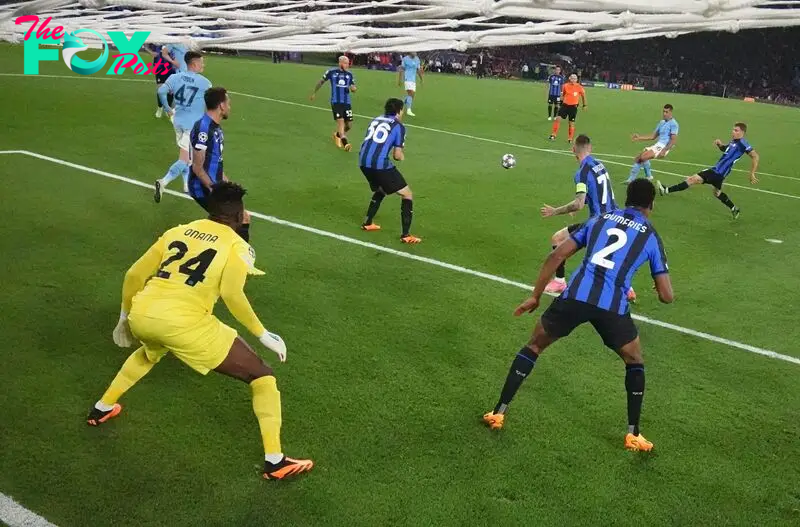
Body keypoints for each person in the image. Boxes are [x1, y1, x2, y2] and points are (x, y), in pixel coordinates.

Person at [86, 182, 314, 480]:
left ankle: (102, 407)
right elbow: (233, 294)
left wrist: (124, 316)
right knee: (262, 375)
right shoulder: (236, 245)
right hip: (184, 323)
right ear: (240, 214)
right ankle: (276, 461)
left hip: (143, 313)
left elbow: (134, 274)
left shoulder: (177, 231)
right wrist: (262, 334)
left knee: (150, 352)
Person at [483, 179, 673, 453]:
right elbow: (667, 296)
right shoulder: (651, 236)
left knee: (534, 345)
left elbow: (557, 256)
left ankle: (498, 412)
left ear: (627, 198)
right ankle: (633, 434)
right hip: (612, 308)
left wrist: (536, 295)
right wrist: (658, 287)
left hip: (575, 298)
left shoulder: (600, 219)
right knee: (634, 359)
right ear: (650, 205)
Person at [540, 134, 637, 302]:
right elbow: (598, 192)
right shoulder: (599, 164)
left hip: (599, 223)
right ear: (590, 148)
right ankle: (627, 289)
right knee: (608, 255)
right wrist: (582, 203)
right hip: (615, 217)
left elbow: (578, 203)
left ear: (573, 150)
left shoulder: (581, 173)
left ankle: (559, 282)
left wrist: (555, 211)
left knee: (558, 239)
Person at [186, 87, 251, 242]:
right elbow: (197, 167)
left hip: (215, 185)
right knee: (237, 221)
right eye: (228, 103)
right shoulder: (203, 128)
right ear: (221, 106)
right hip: (202, 187)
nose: (229, 107)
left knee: (231, 222)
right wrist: (216, 190)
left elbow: (216, 162)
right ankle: (238, 259)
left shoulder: (215, 128)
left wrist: (228, 185)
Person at [658, 122, 759, 219]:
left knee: (692, 179)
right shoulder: (734, 142)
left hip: (717, 172)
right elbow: (726, 150)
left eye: (736, 130)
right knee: (717, 193)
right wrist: (720, 145)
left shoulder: (742, 143)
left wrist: (752, 173)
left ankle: (666, 190)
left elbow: (755, 156)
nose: (733, 132)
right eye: (733, 129)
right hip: (720, 174)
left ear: (742, 133)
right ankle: (734, 208)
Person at [358, 98, 421, 244]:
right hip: (379, 164)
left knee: (382, 189)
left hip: (363, 161)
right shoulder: (398, 126)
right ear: (399, 111)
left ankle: (368, 222)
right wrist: (402, 156)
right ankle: (406, 235)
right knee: (407, 194)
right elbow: (397, 156)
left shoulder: (376, 119)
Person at [155, 51, 211, 199]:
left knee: (186, 154)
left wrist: (167, 109)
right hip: (192, 126)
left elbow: (161, 91)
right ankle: (163, 181)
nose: (203, 65)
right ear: (194, 64)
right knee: (185, 159)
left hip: (177, 121)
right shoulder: (204, 83)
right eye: (201, 62)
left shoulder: (175, 77)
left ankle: (186, 185)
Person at [309, 55, 357, 151]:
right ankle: (345, 143)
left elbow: (353, 87)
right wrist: (314, 92)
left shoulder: (350, 74)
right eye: (346, 63)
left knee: (349, 125)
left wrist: (353, 88)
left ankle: (337, 134)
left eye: (348, 63)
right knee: (341, 123)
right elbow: (321, 82)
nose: (348, 65)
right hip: (336, 102)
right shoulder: (331, 72)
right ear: (341, 63)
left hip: (346, 102)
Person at [625, 104, 679, 183]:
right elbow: (653, 136)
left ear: (671, 112)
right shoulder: (661, 122)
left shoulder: (674, 124)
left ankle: (634, 180)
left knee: (642, 157)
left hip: (663, 146)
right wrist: (639, 137)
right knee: (638, 158)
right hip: (658, 145)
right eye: (663, 111)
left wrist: (664, 150)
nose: (664, 114)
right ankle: (645, 177)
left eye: (666, 112)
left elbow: (673, 140)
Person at [549, 74, 586, 144]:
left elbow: (583, 96)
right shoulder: (565, 86)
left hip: (573, 107)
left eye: (575, 78)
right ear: (569, 78)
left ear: (577, 79)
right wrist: (560, 102)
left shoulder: (579, 87)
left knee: (571, 123)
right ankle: (553, 134)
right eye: (572, 78)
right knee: (558, 118)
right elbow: (563, 95)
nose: (573, 80)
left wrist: (584, 105)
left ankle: (570, 138)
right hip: (565, 105)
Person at [145, 44, 174, 119]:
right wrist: (151, 52)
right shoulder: (158, 35)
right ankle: (160, 108)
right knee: (161, 89)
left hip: (172, 67)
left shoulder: (174, 35)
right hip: (159, 66)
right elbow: (145, 45)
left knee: (171, 90)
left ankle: (168, 109)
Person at [398, 52, 424, 117]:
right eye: (414, 52)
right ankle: (408, 110)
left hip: (413, 80)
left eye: (415, 52)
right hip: (407, 78)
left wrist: (421, 79)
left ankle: (399, 103)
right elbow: (401, 69)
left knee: (412, 96)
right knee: (411, 93)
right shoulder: (405, 59)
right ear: (410, 52)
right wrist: (399, 80)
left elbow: (418, 70)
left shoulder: (417, 59)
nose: (415, 53)